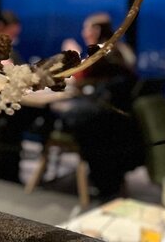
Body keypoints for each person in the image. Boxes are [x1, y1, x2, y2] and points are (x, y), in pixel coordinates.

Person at [58, 12, 142, 197]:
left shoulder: (101, 51)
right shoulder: (120, 49)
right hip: (120, 120)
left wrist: (72, 56)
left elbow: (79, 78)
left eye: (86, 28)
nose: (83, 32)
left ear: (96, 30)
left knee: (64, 116)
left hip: (102, 119)